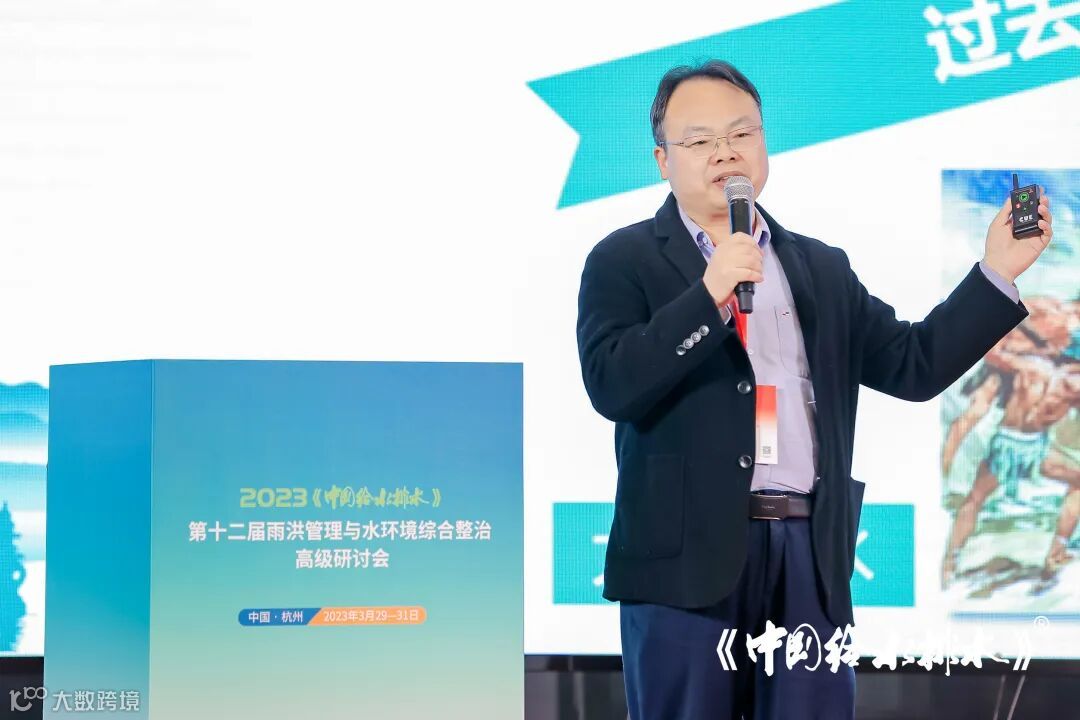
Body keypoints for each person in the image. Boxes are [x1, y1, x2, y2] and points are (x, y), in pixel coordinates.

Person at [575, 60, 1054, 720]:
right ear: (663, 160)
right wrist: (710, 293)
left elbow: (913, 365)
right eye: (700, 140)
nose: (725, 152)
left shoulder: (820, 267)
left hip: (807, 553)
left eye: (741, 133)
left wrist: (996, 273)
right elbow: (612, 384)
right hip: (685, 562)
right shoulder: (623, 259)